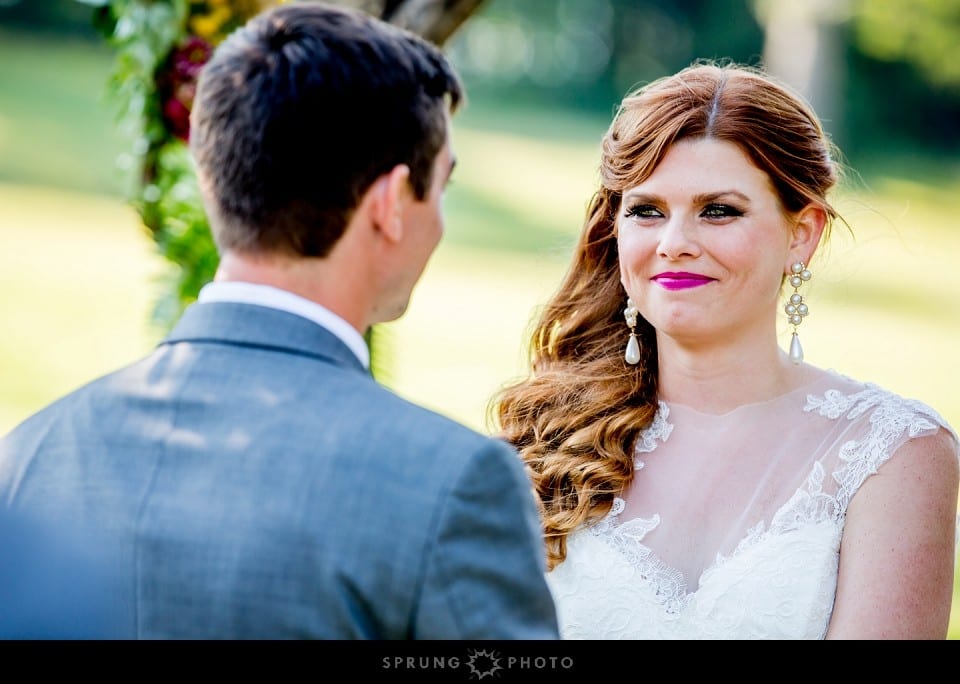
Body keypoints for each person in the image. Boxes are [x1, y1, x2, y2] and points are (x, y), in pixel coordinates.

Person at [0, 2, 559, 640]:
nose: (439, 220)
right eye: (440, 189)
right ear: (391, 204)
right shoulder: (451, 486)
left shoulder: (29, 454)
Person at [493, 60, 960, 640]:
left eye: (719, 210)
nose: (675, 244)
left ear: (802, 234)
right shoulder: (539, 444)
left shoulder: (892, 451)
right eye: (647, 211)